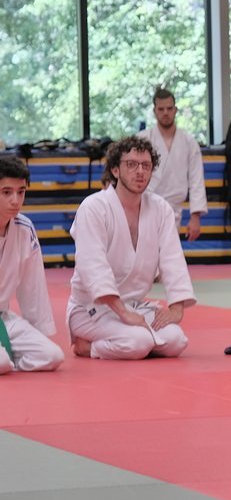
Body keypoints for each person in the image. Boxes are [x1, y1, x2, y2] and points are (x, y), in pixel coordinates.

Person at [67, 136, 196, 360]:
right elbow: (93, 267)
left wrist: (176, 308)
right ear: (115, 170)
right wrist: (123, 313)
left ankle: (130, 338)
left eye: (146, 166)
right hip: (90, 309)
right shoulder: (94, 208)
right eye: (131, 164)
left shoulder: (160, 209)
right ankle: (87, 347)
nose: (140, 171)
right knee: (138, 342)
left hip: (133, 306)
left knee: (176, 340)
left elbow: (172, 259)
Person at [0, 157, 64, 375]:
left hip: (3, 317)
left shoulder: (25, 228)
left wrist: (37, 333)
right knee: (1, 362)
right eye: (6, 192)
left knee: (51, 355)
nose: (15, 200)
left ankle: (7, 358)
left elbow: (32, 286)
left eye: (21, 192)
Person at [139, 87, 207, 242]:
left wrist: (195, 216)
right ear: (154, 111)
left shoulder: (189, 142)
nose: (165, 113)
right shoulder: (143, 140)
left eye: (169, 108)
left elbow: (196, 180)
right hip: (144, 207)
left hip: (173, 209)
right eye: (161, 109)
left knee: (168, 259)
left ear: (176, 110)